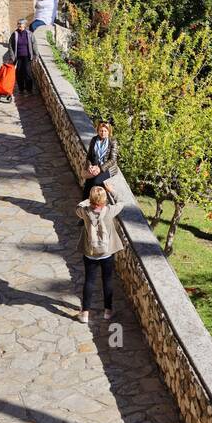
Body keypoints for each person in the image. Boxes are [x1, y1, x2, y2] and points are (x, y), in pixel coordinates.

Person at [76, 184, 124, 324]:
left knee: (89, 281)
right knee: (107, 280)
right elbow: (121, 201)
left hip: (90, 252)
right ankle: (108, 311)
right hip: (106, 253)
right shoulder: (109, 211)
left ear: (90, 198)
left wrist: (88, 200)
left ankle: (85, 313)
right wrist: (111, 190)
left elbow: (78, 206)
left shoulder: (84, 212)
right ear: (104, 199)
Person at [83, 120, 119, 198]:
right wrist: (89, 166)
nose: (103, 133)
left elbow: (113, 160)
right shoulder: (94, 140)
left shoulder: (113, 142)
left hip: (107, 168)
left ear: (109, 131)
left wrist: (100, 168)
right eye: (101, 131)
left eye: (105, 131)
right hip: (95, 166)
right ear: (98, 131)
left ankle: (95, 203)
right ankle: (84, 205)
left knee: (96, 182)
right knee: (88, 182)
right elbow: (89, 156)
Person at [7, 18, 34, 96]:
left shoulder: (29, 34)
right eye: (18, 24)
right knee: (18, 73)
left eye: (20, 24)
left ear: (24, 25)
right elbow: (10, 45)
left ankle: (29, 90)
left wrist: (36, 55)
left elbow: (34, 44)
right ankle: (21, 89)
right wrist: (12, 56)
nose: (19, 25)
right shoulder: (14, 34)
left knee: (27, 72)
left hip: (27, 57)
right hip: (18, 57)